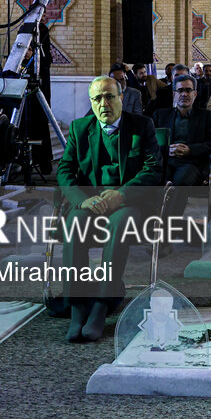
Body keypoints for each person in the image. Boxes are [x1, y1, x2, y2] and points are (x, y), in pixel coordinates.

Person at [57, 76, 161, 341]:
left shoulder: (142, 125)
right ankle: (77, 307)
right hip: (91, 202)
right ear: (91, 103)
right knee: (75, 223)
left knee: (120, 222)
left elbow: (153, 170)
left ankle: (101, 305)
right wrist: (82, 200)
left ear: (121, 98)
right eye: (97, 98)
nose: (103, 103)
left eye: (109, 96)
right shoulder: (80, 128)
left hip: (129, 203)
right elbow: (65, 169)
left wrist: (122, 194)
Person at [152, 74, 211, 222]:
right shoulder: (160, 115)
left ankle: (168, 224)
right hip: (165, 160)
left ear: (195, 94)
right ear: (174, 94)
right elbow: (150, 142)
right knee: (154, 178)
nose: (184, 94)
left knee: (180, 182)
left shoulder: (205, 116)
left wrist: (190, 150)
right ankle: (152, 220)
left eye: (188, 90)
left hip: (192, 163)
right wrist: (166, 149)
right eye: (180, 90)